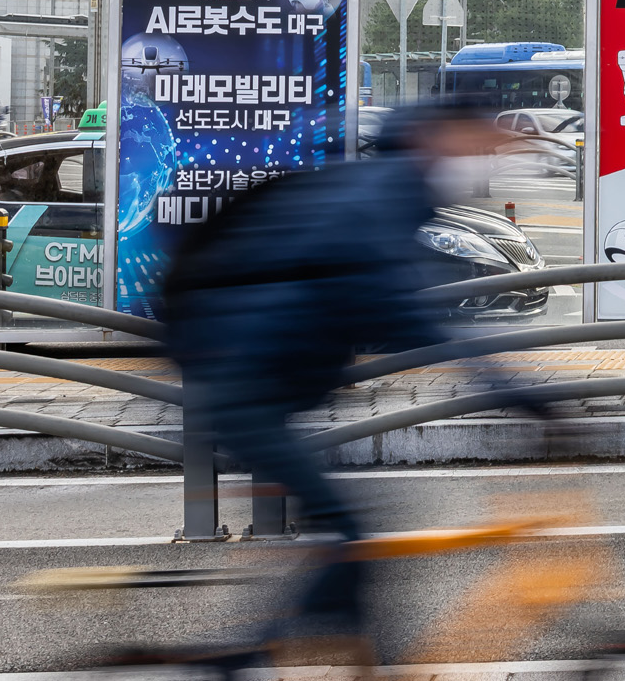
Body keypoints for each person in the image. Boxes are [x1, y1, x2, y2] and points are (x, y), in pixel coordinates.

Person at [159, 100, 512, 660]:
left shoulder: (383, 189)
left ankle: (345, 648)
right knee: (350, 536)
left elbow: (376, 302)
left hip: (248, 374)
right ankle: (241, 658)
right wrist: (515, 390)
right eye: (474, 143)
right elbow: (395, 307)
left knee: (351, 550)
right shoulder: (382, 194)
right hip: (241, 381)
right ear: (430, 139)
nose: (480, 158)